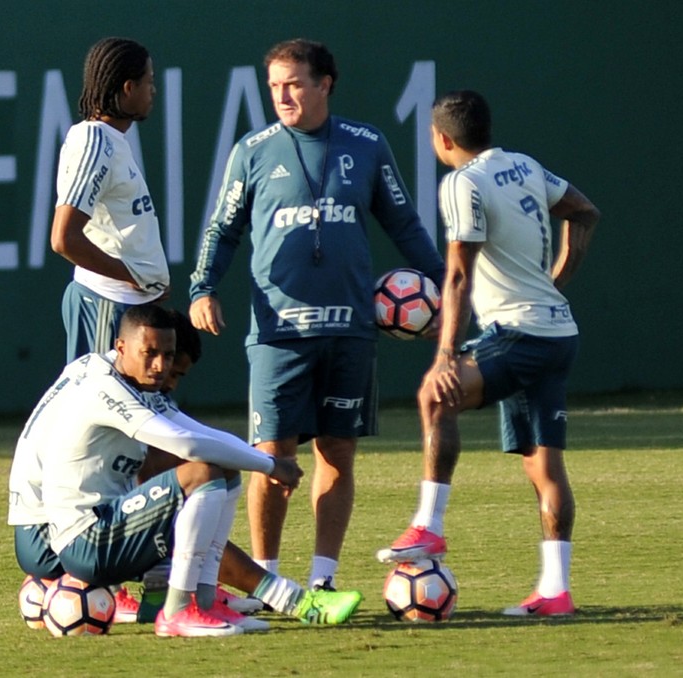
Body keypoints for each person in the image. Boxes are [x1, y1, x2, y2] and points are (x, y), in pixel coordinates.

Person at [188, 38, 445, 591]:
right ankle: (268, 582)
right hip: (278, 333)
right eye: (274, 86)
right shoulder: (252, 151)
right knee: (271, 459)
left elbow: (404, 224)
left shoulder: (366, 144)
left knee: (338, 452)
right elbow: (222, 229)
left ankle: (323, 579)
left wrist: (444, 291)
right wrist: (202, 288)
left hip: (350, 330)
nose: (282, 96)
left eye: (294, 84)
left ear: (325, 84)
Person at [376, 90, 601, 617]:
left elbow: (457, 274)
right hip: (557, 334)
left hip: (520, 333)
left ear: (442, 138)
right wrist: (556, 281)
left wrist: (446, 354)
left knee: (436, 395)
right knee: (544, 466)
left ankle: (429, 526)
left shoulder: (462, 183)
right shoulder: (523, 165)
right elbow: (585, 211)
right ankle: (555, 591)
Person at [8, 305, 361, 638]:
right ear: (122, 346)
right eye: (150, 354)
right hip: (73, 539)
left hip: (80, 525)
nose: (161, 367)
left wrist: (259, 460)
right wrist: (269, 464)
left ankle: (202, 601)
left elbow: (200, 433)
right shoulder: (106, 389)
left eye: (168, 356)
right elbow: (186, 444)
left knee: (221, 469)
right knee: (199, 475)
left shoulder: (119, 376)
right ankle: (180, 608)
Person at [50, 37, 169, 363]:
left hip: (128, 305)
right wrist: (134, 276)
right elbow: (64, 238)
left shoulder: (112, 140)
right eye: (149, 81)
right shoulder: (94, 142)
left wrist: (151, 279)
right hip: (106, 303)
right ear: (129, 88)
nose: (153, 90)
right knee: (102, 397)